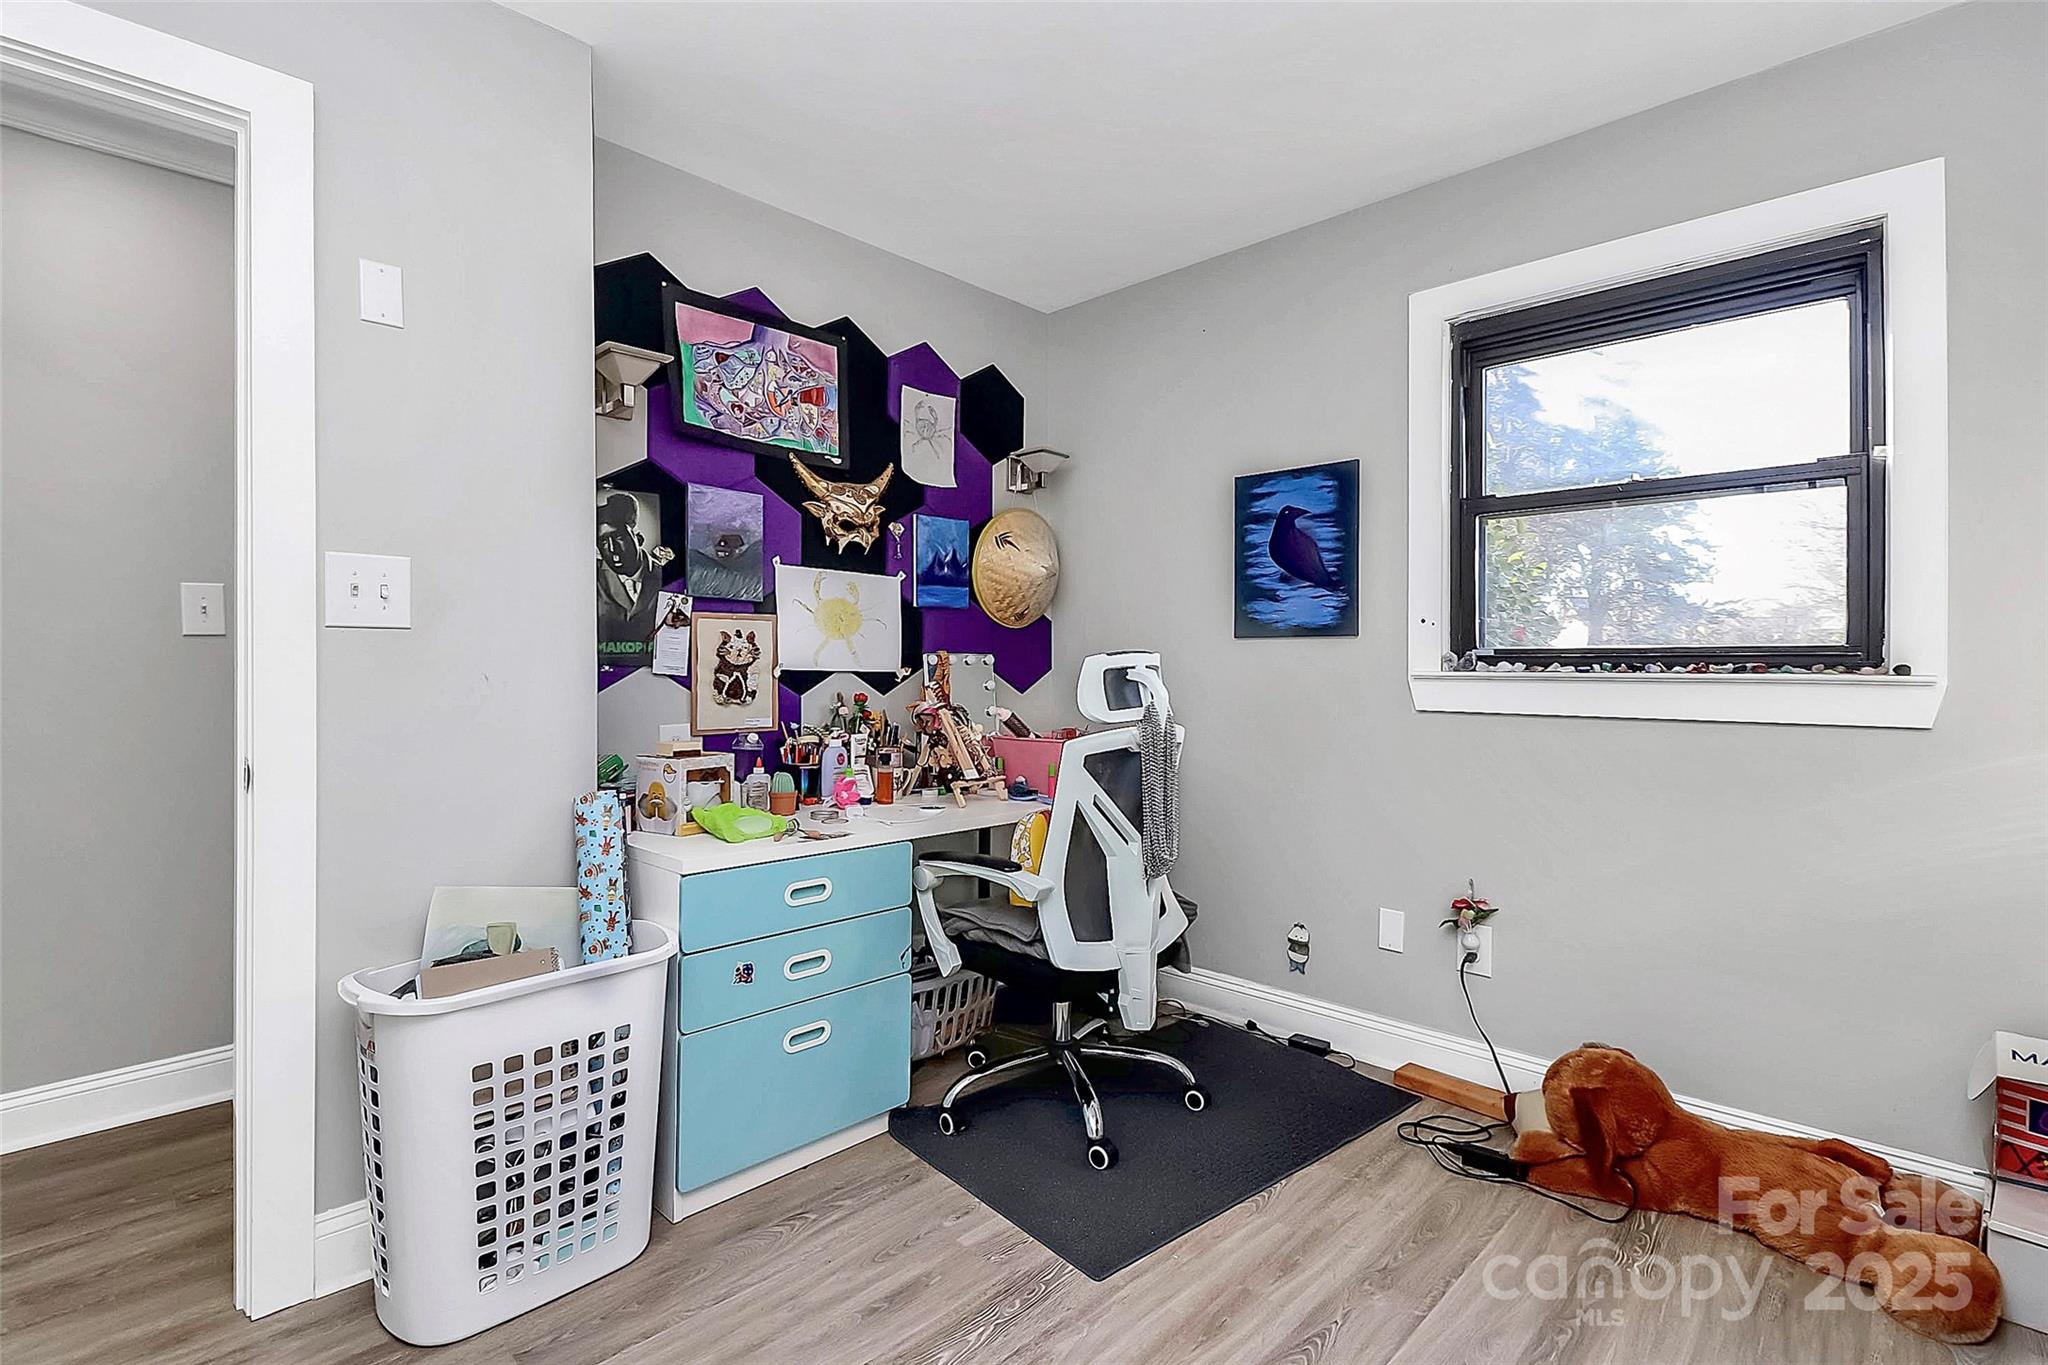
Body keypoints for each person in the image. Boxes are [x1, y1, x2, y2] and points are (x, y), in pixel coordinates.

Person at [597, 491, 659, 663]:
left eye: (618, 538)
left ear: (639, 538)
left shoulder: (666, 574)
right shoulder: (592, 579)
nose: (613, 550)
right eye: (603, 542)